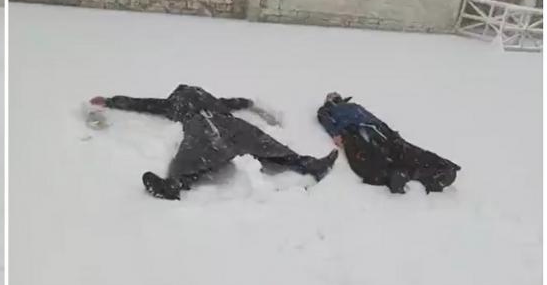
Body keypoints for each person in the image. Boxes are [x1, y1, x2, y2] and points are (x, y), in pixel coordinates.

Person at [91, 84, 337, 199]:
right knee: (191, 151)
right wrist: (112, 100)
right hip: (203, 126)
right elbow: (142, 103)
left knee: (261, 140)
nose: (191, 91)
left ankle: (310, 165)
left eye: (193, 90)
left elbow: (232, 102)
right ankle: (174, 186)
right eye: (186, 91)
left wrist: (248, 103)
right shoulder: (173, 103)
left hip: (227, 123)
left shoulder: (208, 101)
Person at [317, 92, 460, 194]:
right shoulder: (352, 107)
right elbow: (325, 117)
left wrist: (336, 133)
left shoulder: (332, 109)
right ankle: (439, 167)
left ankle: (395, 175)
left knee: (369, 161)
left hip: (361, 132)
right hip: (379, 130)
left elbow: (324, 117)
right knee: (403, 151)